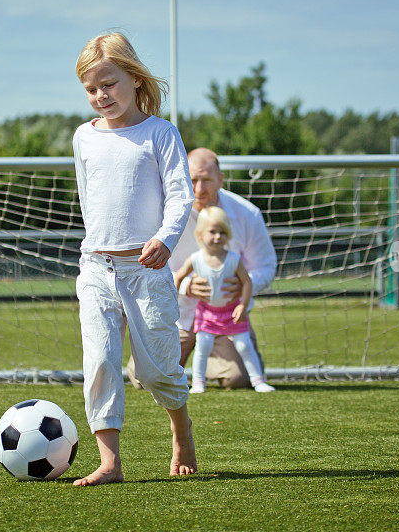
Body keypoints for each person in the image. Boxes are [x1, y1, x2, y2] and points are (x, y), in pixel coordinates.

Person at [71, 32, 196, 486]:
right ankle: (110, 462)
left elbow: (181, 197)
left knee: (156, 369)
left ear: (135, 78)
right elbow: (90, 203)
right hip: (96, 269)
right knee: (100, 362)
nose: (101, 95)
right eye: (90, 88)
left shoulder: (160, 133)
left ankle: (181, 431)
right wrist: (93, 253)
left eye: (109, 83)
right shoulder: (83, 137)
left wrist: (164, 239)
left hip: (147, 270)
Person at [128, 148, 277, 389]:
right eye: (193, 180)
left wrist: (242, 284)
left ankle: (212, 360)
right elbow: (144, 264)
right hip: (176, 315)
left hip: (225, 319)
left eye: (206, 179)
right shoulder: (163, 212)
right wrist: (185, 285)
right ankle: (189, 355)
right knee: (142, 379)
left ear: (220, 179)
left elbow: (266, 266)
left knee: (238, 379)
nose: (199, 188)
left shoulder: (247, 214)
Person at [173, 206, 276, 393]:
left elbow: (247, 282)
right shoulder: (195, 259)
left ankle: (258, 381)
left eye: (222, 232)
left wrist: (243, 305)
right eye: (212, 232)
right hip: (206, 313)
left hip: (231, 313)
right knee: (203, 346)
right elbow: (178, 277)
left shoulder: (233, 259)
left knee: (244, 345)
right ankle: (198, 383)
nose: (218, 237)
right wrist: (178, 292)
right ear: (200, 234)